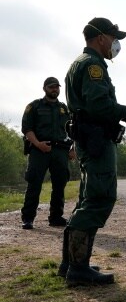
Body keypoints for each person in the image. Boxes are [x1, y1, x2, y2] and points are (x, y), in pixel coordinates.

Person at [58, 17, 126, 285]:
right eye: (113, 37)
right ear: (100, 37)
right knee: (99, 198)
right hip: (96, 141)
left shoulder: (81, 63)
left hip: (88, 140)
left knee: (87, 199)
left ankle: (72, 263)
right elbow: (99, 107)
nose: (115, 43)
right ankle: (78, 268)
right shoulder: (93, 66)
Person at [20, 77, 75, 229]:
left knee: (59, 185)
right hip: (39, 150)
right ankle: (28, 219)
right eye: (51, 87)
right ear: (44, 88)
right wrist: (38, 144)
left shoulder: (65, 109)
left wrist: (73, 149)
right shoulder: (34, 106)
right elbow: (27, 129)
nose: (54, 90)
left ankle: (56, 218)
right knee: (34, 184)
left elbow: (74, 130)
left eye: (57, 87)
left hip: (60, 151)